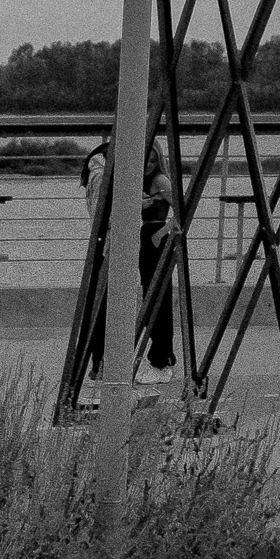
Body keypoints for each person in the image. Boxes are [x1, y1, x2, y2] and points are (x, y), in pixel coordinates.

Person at [81, 130, 178, 390]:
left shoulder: (160, 181)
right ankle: (110, 362)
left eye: (153, 160)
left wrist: (160, 234)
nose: (148, 165)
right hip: (139, 237)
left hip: (153, 237)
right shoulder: (138, 182)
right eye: (145, 159)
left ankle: (162, 360)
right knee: (145, 294)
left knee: (157, 294)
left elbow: (182, 212)